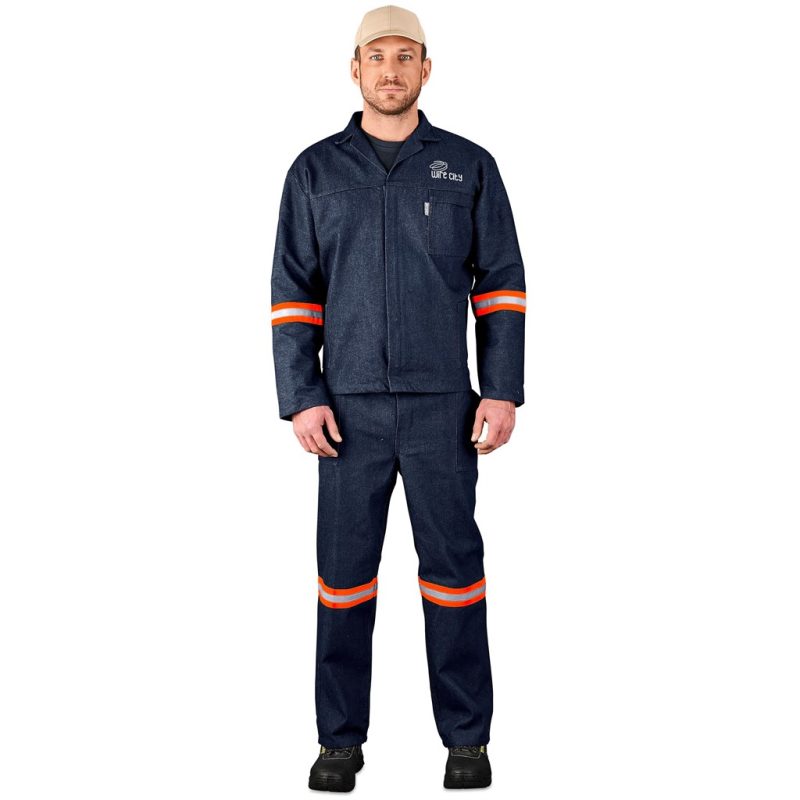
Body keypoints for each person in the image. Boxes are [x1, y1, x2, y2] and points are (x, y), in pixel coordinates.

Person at [270, 4, 526, 791]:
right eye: (376, 56)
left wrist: (502, 391)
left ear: (426, 69)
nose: (390, 70)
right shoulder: (315, 171)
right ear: (355, 70)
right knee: (343, 580)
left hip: (443, 409)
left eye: (404, 56)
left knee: (454, 575)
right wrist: (302, 395)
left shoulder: (467, 166)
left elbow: (502, 286)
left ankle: (467, 741)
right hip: (346, 413)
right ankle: (339, 741)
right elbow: (293, 295)